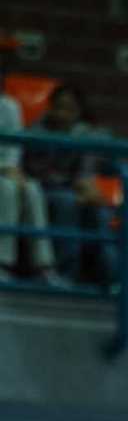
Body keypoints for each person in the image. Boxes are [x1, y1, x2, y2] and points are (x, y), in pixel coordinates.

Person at [23, 85, 117, 287]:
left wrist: (85, 190)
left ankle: (111, 278)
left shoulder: (87, 133)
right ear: (50, 107)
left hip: (76, 191)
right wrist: (79, 189)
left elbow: (87, 174)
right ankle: (65, 273)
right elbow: (36, 172)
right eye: (59, 107)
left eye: (69, 109)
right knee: (67, 202)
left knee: (99, 212)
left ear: (79, 111)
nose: (62, 114)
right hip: (42, 190)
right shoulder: (37, 131)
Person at [0, 68, 60, 285]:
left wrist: (10, 168)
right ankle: (3, 263)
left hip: (7, 170)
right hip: (2, 172)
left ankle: (43, 265)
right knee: (7, 189)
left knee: (32, 188)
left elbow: (15, 145)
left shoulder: (9, 106)